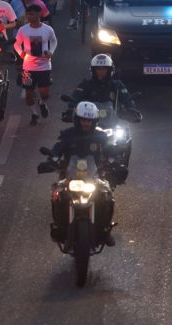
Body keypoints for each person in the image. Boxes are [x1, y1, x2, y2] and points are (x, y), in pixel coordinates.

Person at [46, 101, 116, 246]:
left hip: (94, 177)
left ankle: (104, 231)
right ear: (77, 120)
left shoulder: (101, 136)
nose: (86, 123)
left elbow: (111, 151)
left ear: (94, 121)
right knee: (58, 197)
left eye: (89, 120)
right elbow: (57, 148)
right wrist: (51, 159)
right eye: (83, 120)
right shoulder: (68, 135)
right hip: (70, 176)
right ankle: (60, 228)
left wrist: (115, 162)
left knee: (107, 197)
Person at [14, 4, 56, 126]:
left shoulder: (47, 29)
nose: (29, 16)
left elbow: (54, 41)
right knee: (29, 93)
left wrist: (51, 52)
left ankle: (42, 103)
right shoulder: (23, 30)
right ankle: (34, 114)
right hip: (28, 67)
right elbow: (17, 44)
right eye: (28, 14)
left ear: (39, 14)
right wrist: (21, 53)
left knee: (45, 92)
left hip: (44, 66)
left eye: (32, 14)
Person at [65, 54, 135, 118]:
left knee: (126, 130)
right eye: (98, 69)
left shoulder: (117, 85)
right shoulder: (85, 84)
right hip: (88, 120)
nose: (101, 71)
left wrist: (131, 109)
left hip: (113, 121)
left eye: (104, 69)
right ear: (93, 70)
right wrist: (71, 109)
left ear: (110, 70)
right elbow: (74, 98)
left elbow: (127, 99)